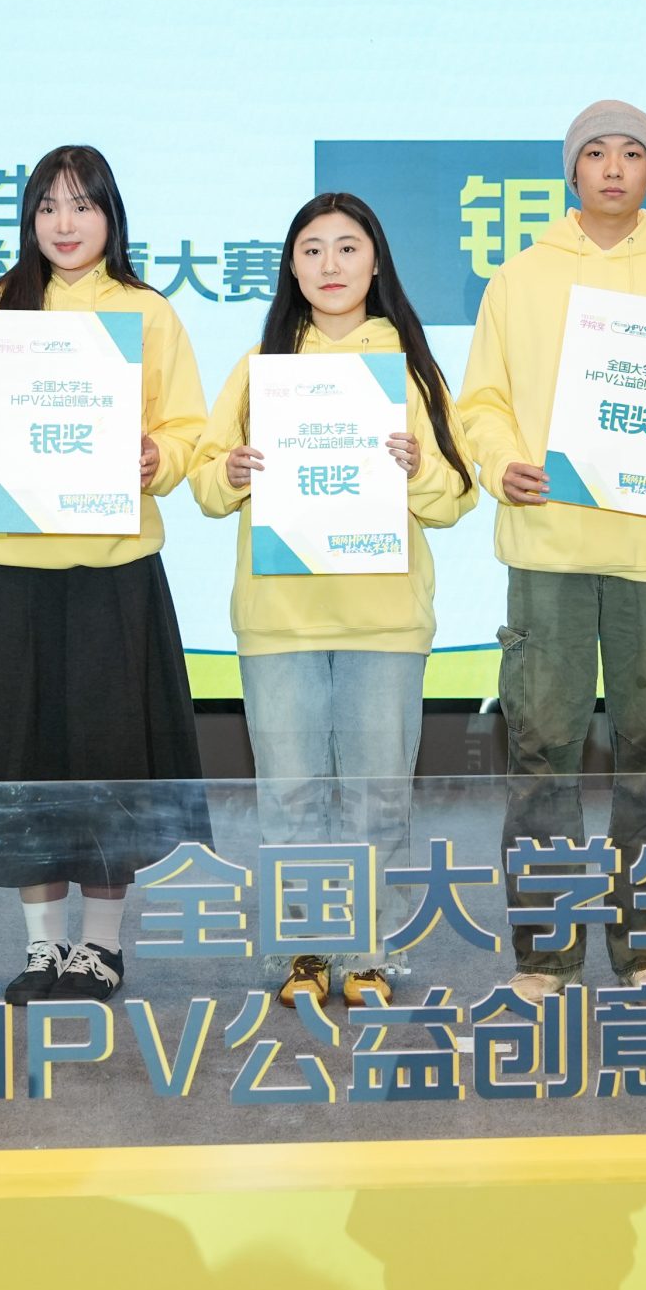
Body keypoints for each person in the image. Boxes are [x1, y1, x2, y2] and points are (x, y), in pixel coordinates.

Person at [454, 100, 646, 1002]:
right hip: (547, 547)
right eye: (594, 153)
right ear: (571, 170)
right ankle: (543, 956)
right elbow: (481, 402)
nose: (613, 168)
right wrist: (501, 464)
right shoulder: (521, 278)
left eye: (631, 154)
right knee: (542, 752)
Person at [0, 145, 209, 1006]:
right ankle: (42, 946)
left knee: (109, 763)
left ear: (110, 217)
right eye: (48, 205)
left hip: (112, 570)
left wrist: (158, 456)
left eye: (82, 205)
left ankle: (101, 948)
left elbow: (189, 428)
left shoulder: (146, 312)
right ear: (29, 219)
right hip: (12, 567)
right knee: (26, 764)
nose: (64, 222)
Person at [191, 193, 476, 1006]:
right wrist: (231, 471)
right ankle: (304, 950)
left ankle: (368, 952)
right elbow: (205, 484)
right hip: (279, 618)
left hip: (384, 620)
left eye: (348, 248)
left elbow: (457, 495)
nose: (330, 265)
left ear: (376, 262)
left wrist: (416, 467)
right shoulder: (262, 366)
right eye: (311, 249)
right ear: (291, 266)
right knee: (290, 796)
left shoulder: (409, 368)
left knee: (377, 796)